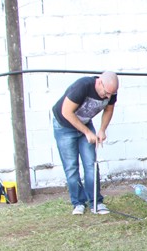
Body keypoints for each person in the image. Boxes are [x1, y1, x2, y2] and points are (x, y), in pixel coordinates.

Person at [51, 71, 119, 215]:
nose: (108, 97)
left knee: (91, 164)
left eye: (111, 94)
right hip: (64, 126)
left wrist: (102, 130)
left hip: (84, 123)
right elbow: (66, 112)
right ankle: (78, 203)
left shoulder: (111, 92)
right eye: (107, 93)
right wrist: (87, 132)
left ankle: (96, 202)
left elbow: (108, 110)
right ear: (99, 82)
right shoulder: (82, 86)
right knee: (71, 166)